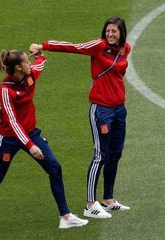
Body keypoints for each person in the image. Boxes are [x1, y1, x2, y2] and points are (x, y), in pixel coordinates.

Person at [0, 49, 88, 234]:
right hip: (9, 139)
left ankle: (66, 217)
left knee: (54, 167)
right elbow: (13, 122)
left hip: (31, 133)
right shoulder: (5, 90)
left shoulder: (29, 76)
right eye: (26, 62)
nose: (30, 64)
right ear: (19, 67)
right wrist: (31, 146)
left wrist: (40, 55)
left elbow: (39, 64)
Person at [30, 16, 131, 219]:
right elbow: (73, 47)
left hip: (119, 109)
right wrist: (43, 45)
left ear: (121, 33)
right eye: (108, 30)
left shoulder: (125, 48)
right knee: (100, 154)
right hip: (101, 110)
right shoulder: (98, 45)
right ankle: (89, 204)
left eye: (115, 31)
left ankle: (108, 199)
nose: (111, 34)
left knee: (115, 153)